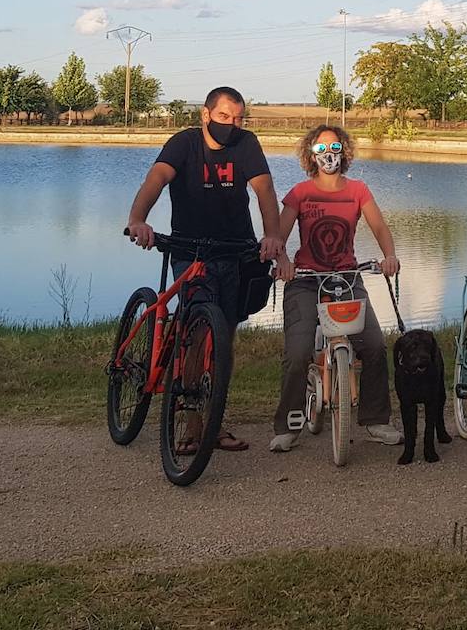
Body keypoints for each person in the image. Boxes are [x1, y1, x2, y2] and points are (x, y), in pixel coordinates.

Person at [125, 85, 281, 452]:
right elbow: (156, 180)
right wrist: (138, 219)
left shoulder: (246, 144)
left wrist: (273, 236)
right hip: (189, 247)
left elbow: (265, 191)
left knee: (223, 338)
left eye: (239, 118)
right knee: (197, 333)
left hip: (236, 248)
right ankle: (193, 429)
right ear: (206, 115)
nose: (232, 124)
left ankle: (215, 423)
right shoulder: (184, 144)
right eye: (224, 116)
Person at [269, 125, 403, 452]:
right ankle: (289, 424)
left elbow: (379, 226)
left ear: (344, 150)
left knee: (374, 345)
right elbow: (280, 236)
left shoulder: (358, 190)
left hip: (347, 277)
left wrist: (389, 256)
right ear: (310, 155)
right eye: (321, 148)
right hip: (305, 280)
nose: (328, 154)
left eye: (335, 146)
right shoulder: (300, 193)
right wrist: (284, 262)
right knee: (298, 353)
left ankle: (375, 420)